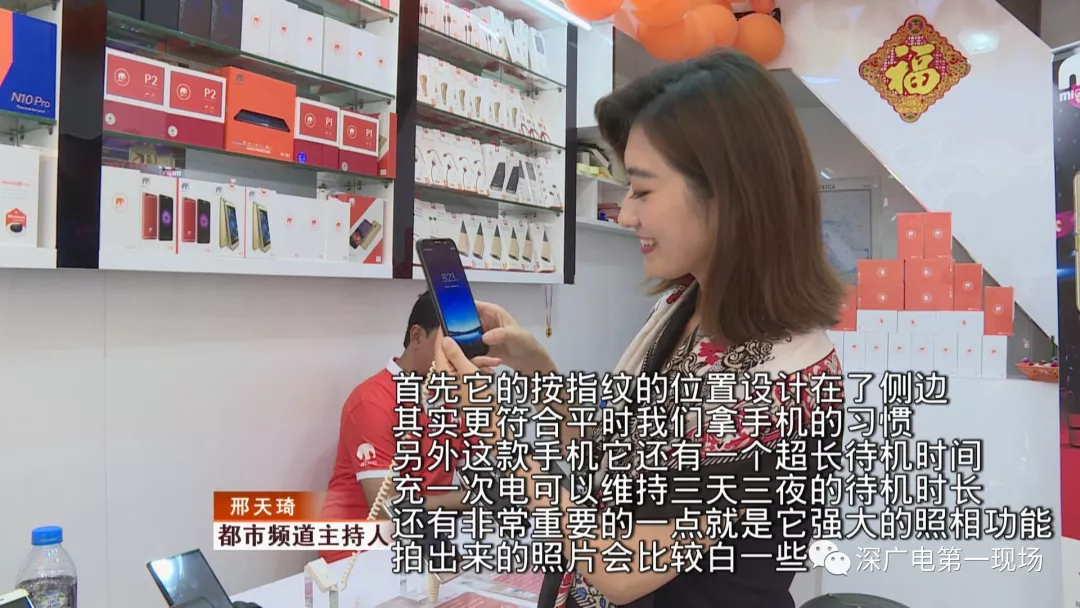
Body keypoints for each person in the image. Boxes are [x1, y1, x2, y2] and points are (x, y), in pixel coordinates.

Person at [430, 49, 847, 608]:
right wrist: (538, 374)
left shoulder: (787, 382)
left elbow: (625, 567)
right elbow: (614, 455)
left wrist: (500, 443)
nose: (625, 215)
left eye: (643, 191)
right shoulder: (683, 307)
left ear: (729, 194)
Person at [320, 290, 471, 564]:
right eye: (449, 345)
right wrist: (469, 500)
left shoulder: (451, 397)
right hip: (357, 556)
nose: (459, 356)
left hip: (427, 542)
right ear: (417, 336)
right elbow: (388, 510)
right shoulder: (372, 402)